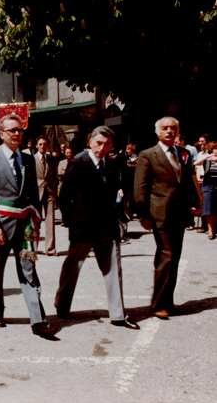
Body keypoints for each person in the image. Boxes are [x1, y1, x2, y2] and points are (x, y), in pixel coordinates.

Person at [54, 126, 138, 329]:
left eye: (107, 144)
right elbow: (64, 197)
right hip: (82, 227)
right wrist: (71, 222)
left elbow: (112, 196)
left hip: (107, 227)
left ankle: (118, 315)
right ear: (90, 142)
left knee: (113, 270)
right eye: (99, 143)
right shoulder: (78, 163)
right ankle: (62, 305)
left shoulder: (112, 165)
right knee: (73, 267)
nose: (102, 148)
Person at [0, 114, 55, 336]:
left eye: (19, 130)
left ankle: (38, 319)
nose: (17, 133)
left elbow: (33, 194)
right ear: (1, 133)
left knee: (29, 271)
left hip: (25, 227)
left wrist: (36, 221)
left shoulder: (29, 159)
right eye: (12, 130)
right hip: (0, 227)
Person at [134, 117, 199, 319]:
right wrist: (142, 214)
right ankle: (158, 304)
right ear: (158, 132)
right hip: (159, 214)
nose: (169, 131)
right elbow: (140, 186)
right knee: (167, 254)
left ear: (177, 132)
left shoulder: (183, 153)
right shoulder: (147, 155)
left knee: (173, 257)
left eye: (173, 128)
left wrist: (195, 202)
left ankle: (167, 302)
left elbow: (187, 180)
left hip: (179, 213)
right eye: (165, 128)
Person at [34, 135, 58, 256]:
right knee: (34, 221)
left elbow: (55, 176)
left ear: (47, 146)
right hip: (36, 193)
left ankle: (50, 248)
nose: (42, 146)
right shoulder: (32, 159)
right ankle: (33, 246)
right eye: (40, 144)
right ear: (36, 146)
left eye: (45, 144)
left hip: (49, 192)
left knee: (50, 221)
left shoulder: (52, 159)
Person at [199, 141, 217, 239]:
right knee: (208, 208)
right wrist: (207, 156)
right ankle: (210, 230)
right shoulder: (207, 159)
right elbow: (196, 163)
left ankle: (213, 228)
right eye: (215, 148)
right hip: (208, 185)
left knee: (215, 209)